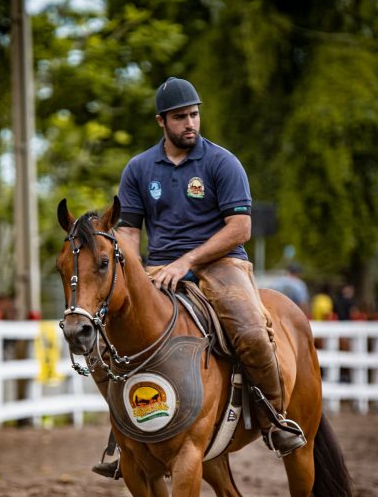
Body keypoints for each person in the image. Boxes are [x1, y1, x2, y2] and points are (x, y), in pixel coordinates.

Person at [95, 76, 305, 474]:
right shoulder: (139, 168)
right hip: (160, 267)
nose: (190, 123)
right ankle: (123, 437)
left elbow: (239, 228)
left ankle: (275, 419)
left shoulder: (222, 162)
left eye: (194, 114)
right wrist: (135, 273)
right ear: (162, 121)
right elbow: (127, 231)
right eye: (180, 117)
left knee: (251, 331)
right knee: (108, 343)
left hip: (221, 263)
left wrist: (187, 262)